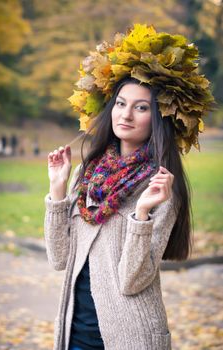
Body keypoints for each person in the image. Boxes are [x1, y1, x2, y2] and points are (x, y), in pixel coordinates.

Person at [44, 24, 214, 350]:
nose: (126, 115)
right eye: (121, 104)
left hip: (131, 337)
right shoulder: (88, 173)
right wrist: (58, 189)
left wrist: (142, 213)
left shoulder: (161, 188)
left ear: (159, 117)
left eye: (141, 107)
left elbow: (132, 281)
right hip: (75, 332)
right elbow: (58, 259)